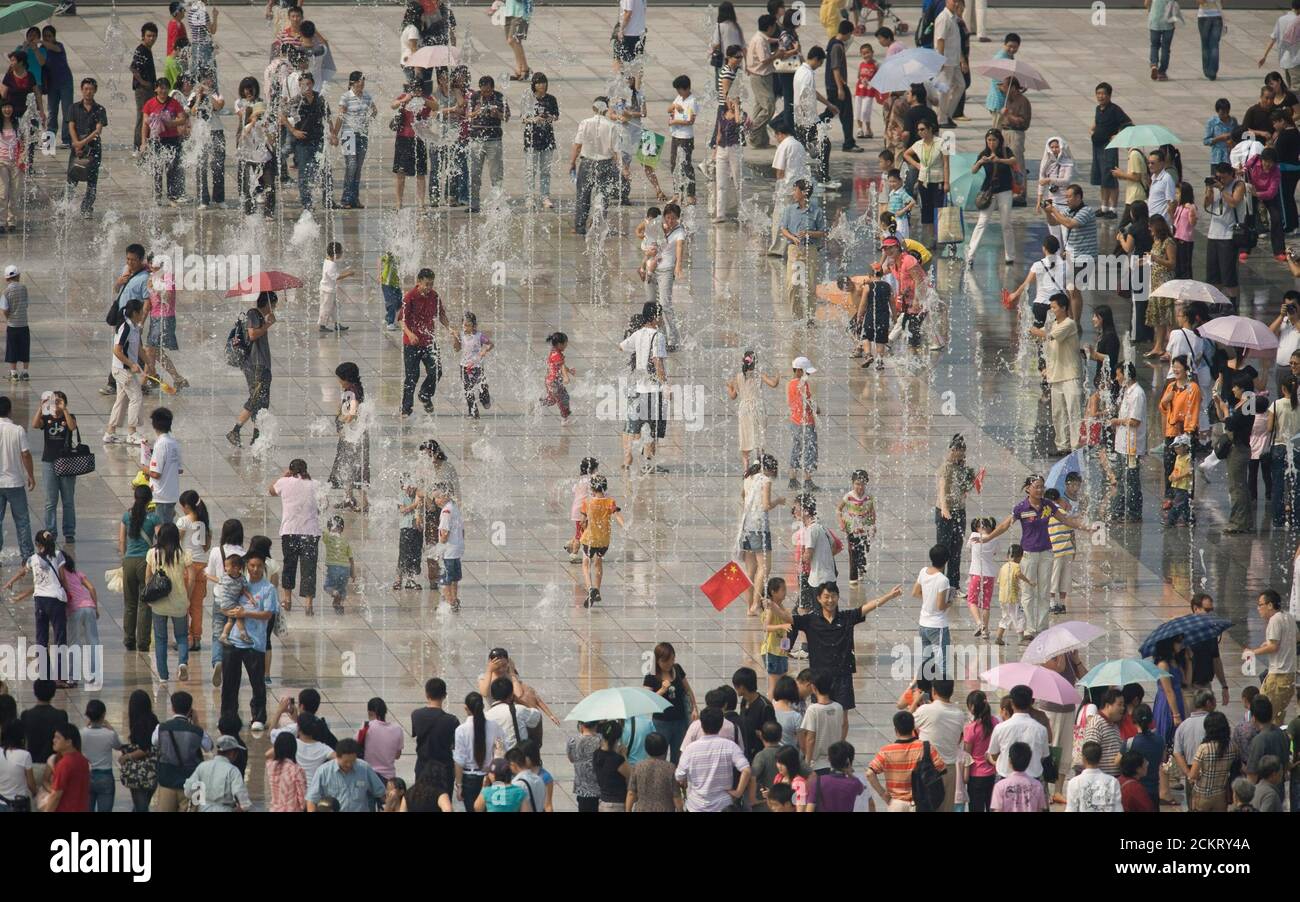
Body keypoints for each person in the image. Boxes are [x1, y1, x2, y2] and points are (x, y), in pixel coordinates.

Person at [219, 552, 277, 731]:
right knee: (229, 683)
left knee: (257, 683)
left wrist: (246, 613)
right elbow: (224, 605)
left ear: (264, 568)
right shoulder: (237, 583)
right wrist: (229, 613)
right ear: (246, 567)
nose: (255, 569)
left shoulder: (268, 589)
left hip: (254, 643)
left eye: (259, 566)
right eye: (252, 566)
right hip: (233, 641)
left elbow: (268, 614)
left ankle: (258, 717)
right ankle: (228, 716)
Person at [674, 707, 751, 811]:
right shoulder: (730, 746)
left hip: (696, 805)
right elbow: (746, 770)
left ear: (701, 724)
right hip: (723, 805)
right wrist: (738, 792)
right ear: (721, 724)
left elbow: (679, 775)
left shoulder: (690, 749)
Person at [1246, 589, 1296, 724]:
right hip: (1289, 675)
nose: (1258, 609)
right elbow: (1296, 638)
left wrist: (1252, 652)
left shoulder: (1274, 620)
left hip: (1278, 676)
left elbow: (1274, 647)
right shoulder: (1288, 617)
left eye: (1260, 605)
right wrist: (1269, 643)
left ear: (1270, 605)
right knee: (1278, 715)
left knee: (1264, 715)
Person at [1089, 83, 1131, 217]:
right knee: (1102, 177)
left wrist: (1117, 135)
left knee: (1111, 176)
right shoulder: (1098, 109)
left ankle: (1113, 208)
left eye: (1103, 94)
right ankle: (1104, 207)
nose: (1100, 96)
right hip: (1097, 146)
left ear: (1109, 95)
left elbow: (1128, 123)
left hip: (1109, 147)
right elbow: (1097, 122)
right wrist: (1093, 128)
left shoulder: (1115, 109)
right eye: (1098, 93)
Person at [1187, 710, 1232, 811]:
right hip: (1221, 795)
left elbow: (1193, 775)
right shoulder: (1232, 746)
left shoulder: (1204, 748)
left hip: (1202, 795)